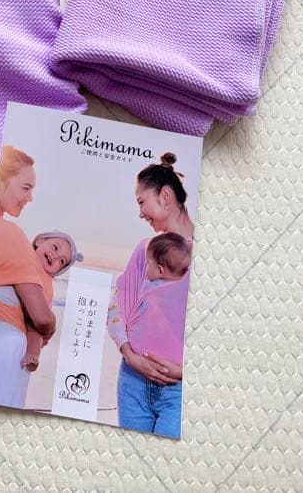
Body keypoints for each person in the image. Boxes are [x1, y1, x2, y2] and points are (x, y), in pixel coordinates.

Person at [0, 146, 66, 408]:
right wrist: (50, 325)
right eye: (25, 188)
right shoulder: (10, 234)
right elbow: (42, 318)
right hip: (4, 357)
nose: (30, 197)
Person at [107, 152, 194, 438]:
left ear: (165, 197)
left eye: (141, 202)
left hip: (179, 390)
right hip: (132, 381)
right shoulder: (145, 250)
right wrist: (130, 355)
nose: (140, 213)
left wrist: (185, 373)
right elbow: (117, 306)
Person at [21, 231, 83, 371]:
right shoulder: (23, 255)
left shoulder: (47, 279)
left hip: (34, 317)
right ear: (40, 241)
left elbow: (43, 315)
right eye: (55, 247)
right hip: (18, 307)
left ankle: (33, 355)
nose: (55, 256)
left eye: (61, 262)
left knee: (35, 333)